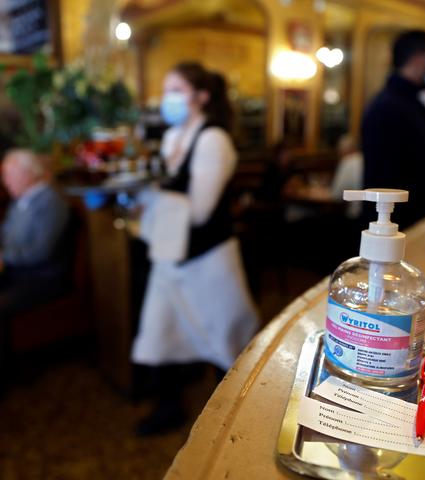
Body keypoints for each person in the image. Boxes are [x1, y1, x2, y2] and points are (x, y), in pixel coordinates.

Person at [133, 62, 259, 435]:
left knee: (224, 333)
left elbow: (201, 210)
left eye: (176, 90)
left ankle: (237, 412)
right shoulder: (174, 137)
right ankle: (168, 404)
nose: (167, 98)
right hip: (171, 248)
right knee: (161, 327)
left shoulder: (212, 139)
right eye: (165, 89)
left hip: (208, 254)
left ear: (201, 96)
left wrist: (148, 193)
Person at [0, 149, 71, 407]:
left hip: (42, 279)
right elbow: (2, 234)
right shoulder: (21, 200)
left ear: (28, 174)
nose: (4, 181)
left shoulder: (51, 201)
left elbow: (40, 252)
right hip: (16, 274)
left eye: (8, 174)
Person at [361, 30, 425, 229]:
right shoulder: (389, 106)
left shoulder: (414, 100)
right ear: (420, 58)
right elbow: (399, 174)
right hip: (398, 224)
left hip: (416, 218)